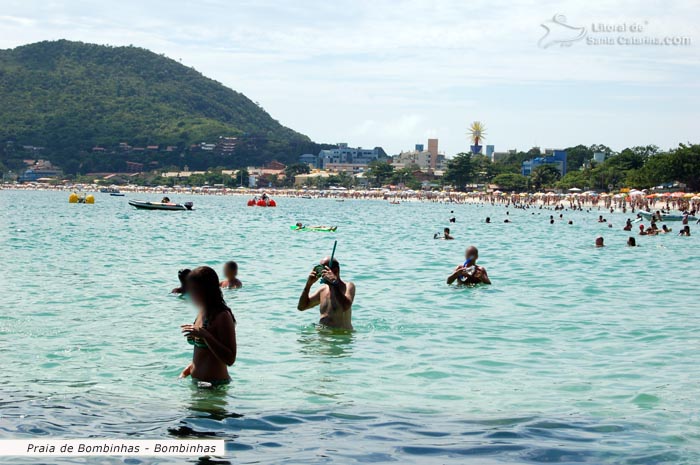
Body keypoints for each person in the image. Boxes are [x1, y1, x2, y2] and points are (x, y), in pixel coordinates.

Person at [179, 266, 237, 386]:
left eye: (193, 289)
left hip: (215, 387)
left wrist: (206, 336)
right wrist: (185, 372)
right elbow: (203, 355)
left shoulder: (222, 315)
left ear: (205, 290)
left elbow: (230, 359)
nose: (189, 293)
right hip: (198, 385)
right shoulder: (202, 312)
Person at [297, 257, 355, 330]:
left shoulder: (348, 286)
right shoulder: (322, 290)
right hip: (323, 336)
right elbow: (301, 307)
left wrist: (334, 283)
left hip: (339, 338)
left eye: (323, 269)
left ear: (336, 270)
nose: (321, 273)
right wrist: (308, 285)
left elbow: (345, 306)